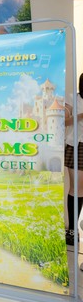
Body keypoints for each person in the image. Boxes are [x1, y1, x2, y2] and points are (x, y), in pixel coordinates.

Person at [64, 73, 83, 249]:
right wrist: (81, 116)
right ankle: (72, 230)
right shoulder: (72, 98)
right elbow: (64, 121)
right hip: (77, 145)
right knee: (76, 188)